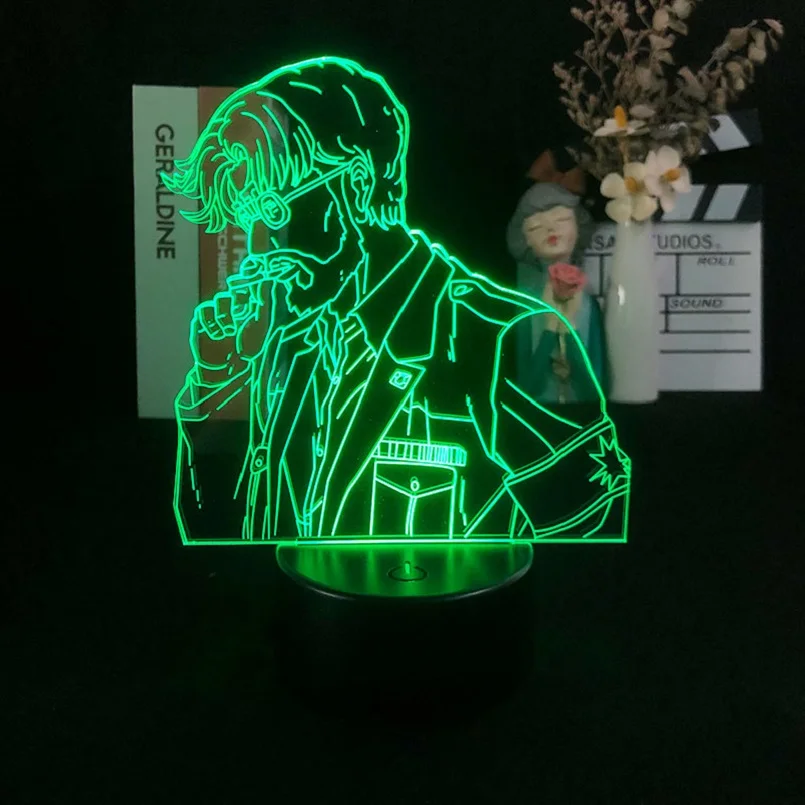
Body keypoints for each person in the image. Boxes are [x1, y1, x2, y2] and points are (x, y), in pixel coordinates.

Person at [162, 57, 629, 543]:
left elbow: (585, 529)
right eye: (247, 220)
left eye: (274, 208)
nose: (262, 247)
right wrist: (220, 381)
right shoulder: (296, 343)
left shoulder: (492, 332)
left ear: (356, 183)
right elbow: (235, 540)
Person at [506, 159, 608, 403]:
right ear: (524, 239)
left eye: (561, 219)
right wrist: (550, 328)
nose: (551, 230)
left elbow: (594, 391)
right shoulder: (525, 307)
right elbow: (528, 387)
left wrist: (569, 327)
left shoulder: (588, 306)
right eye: (536, 227)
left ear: (579, 226)